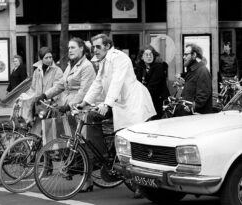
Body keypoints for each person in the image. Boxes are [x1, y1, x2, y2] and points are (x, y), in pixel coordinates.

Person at [77, 34, 156, 195]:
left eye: (98, 47)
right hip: (117, 104)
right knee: (91, 117)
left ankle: (140, 185)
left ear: (107, 46)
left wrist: (107, 104)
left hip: (133, 106)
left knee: (130, 142)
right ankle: (105, 158)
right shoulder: (103, 61)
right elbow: (97, 83)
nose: (95, 50)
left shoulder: (119, 58)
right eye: (93, 47)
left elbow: (117, 81)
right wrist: (84, 103)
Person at [37, 37, 96, 112]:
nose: (70, 50)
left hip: (79, 110)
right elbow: (61, 84)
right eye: (69, 48)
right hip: (66, 108)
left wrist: (69, 106)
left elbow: (84, 91)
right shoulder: (71, 65)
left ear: (81, 48)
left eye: (73, 47)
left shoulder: (87, 66)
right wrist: (45, 95)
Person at [175, 43, 213, 116]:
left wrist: (191, 108)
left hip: (196, 118)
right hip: (189, 116)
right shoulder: (192, 70)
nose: (183, 57)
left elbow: (202, 96)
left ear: (194, 55)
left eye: (186, 55)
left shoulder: (202, 71)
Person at [135, 45, 170, 119]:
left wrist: (142, 96)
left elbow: (153, 85)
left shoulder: (159, 67)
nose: (149, 57)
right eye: (146, 55)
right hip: (147, 98)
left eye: (151, 55)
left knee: (156, 121)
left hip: (158, 99)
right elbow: (138, 82)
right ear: (142, 57)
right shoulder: (140, 67)